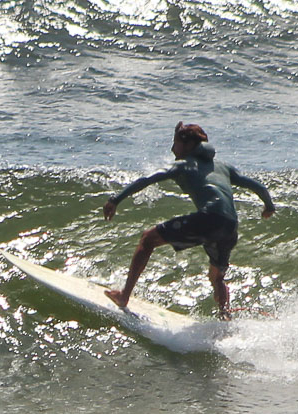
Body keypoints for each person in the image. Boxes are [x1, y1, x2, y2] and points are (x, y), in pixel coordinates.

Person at [102, 122, 276, 318]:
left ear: (187, 145)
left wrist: (115, 199)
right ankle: (224, 316)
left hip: (209, 217)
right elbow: (259, 187)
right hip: (230, 225)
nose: (172, 148)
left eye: (175, 143)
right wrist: (269, 207)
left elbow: (147, 180)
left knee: (148, 239)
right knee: (216, 277)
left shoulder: (184, 164)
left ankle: (124, 296)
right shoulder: (223, 167)